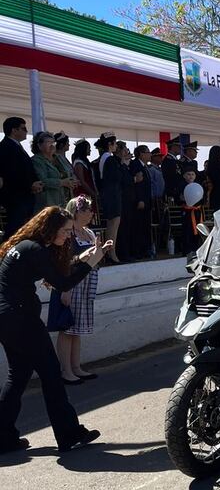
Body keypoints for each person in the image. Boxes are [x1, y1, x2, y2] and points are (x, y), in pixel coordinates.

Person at [0, 206, 109, 453]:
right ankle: (68, 433)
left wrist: (81, 258)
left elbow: (51, 270)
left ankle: (3, 436)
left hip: (6, 318)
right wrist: (92, 262)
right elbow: (62, 283)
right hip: (21, 319)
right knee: (51, 375)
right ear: (50, 228)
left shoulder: (26, 246)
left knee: (17, 377)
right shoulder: (36, 250)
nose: (68, 235)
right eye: (66, 230)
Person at [50, 196, 102, 383]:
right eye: (87, 210)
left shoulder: (88, 232)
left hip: (85, 282)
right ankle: (66, 371)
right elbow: (64, 262)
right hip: (71, 283)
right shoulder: (68, 233)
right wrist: (66, 288)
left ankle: (76, 367)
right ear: (77, 212)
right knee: (67, 328)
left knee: (77, 329)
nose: (91, 213)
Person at [0, 116, 42, 238]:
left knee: (22, 230)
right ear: (14, 130)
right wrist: (30, 184)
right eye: (23, 128)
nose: (26, 131)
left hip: (24, 196)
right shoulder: (5, 147)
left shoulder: (17, 146)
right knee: (14, 231)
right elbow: (10, 173)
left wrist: (35, 182)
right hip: (15, 197)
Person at [95, 132, 121, 263]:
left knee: (113, 224)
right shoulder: (109, 159)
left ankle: (111, 252)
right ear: (110, 144)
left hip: (108, 194)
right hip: (111, 194)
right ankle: (111, 252)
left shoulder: (104, 158)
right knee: (113, 225)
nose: (116, 146)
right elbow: (114, 179)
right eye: (114, 143)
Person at [32, 131, 73, 210]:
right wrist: (62, 182)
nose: (52, 145)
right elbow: (43, 181)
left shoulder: (58, 158)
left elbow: (68, 172)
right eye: (48, 142)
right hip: (48, 201)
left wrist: (72, 180)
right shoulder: (37, 160)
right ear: (39, 145)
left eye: (53, 142)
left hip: (64, 200)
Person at [129, 145, 153, 259]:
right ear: (141, 154)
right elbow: (137, 186)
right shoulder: (135, 165)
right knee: (139, 227)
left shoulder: (145, 166)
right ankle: (139, 251)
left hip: (147, 202)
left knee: (145, 227)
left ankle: (145, 250)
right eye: (148, 152)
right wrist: (140, 199)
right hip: (140, 202)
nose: (150, 154)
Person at [115, 142, 136, 263]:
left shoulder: (125, 164)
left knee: (128, 228)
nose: (127, 152)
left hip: (129, 200)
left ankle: (128, 252)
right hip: (123, 200)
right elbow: (124, 180)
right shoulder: (117, 163)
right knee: (123, 228)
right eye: (125, 150)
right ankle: (123, 254)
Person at [161, 137, 183, 203]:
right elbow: (169, 178)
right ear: (173, 147)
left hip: (177, 192)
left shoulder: (174, 160)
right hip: (171, 193)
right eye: (178, 146)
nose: (180, 148)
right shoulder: (168, 160)